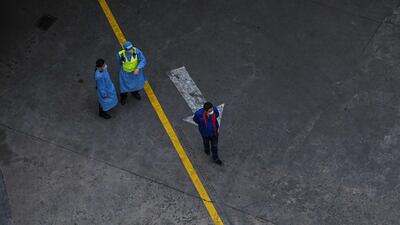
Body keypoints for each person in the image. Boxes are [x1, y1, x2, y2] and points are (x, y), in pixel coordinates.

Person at [117, 40, 147, 105]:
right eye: (128, 49)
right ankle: (123, 97)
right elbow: (120, 62)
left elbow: (143, 60)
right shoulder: (121, 54)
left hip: (135, 73)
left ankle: (135, 93)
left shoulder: (136, 51)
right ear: (125, 49)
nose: (130, 50)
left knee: (136, 85)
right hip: (126, 74)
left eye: (131, 48)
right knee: (124, 87)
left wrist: (138, 68)